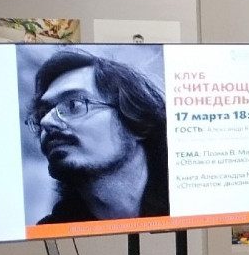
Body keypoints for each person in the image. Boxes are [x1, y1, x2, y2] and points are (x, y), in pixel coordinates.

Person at [29, 48, 169, 223]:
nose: (46, 121)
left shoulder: (188, 205)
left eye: (73, 105)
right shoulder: (51, 231)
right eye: (42, 113)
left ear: (137, 121)